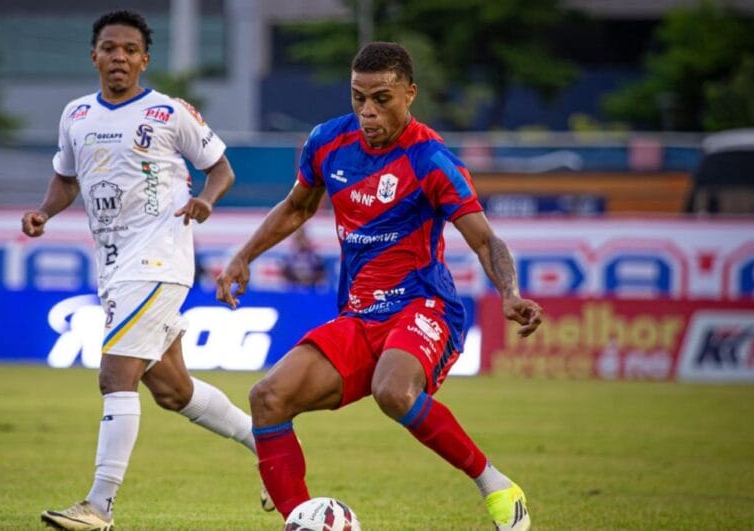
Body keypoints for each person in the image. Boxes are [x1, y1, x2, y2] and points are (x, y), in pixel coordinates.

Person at [216, 42, 542, 531]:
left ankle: (497, 487)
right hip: (359, 316)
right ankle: (301, 521)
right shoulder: (327, 141)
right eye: (358, 98)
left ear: (409, 94)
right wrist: (244, 256)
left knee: (392, 390)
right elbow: (298, 207)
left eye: (381, 99)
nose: (368, 111)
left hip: (423, 307)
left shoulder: (431, 159)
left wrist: (510, 293)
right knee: (267, 398)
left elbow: (484, 239)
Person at [21, 11, 272, 530]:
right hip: (115, 265)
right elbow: (66, 179)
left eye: (130, 50)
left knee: (115, 375)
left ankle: (99, 506)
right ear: (94, 56)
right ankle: (268, 443)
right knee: (173, 390)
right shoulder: (76, 115)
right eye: (110, 48)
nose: (120, 57)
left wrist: (206, 200)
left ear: (144, 60)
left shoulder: (168, 112)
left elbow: (221, 168)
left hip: (159, 259)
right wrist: (44, 212)